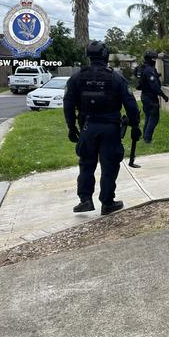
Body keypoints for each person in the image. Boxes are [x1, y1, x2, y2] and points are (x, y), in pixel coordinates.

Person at [64, 41, 141, 216]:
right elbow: (130, 104)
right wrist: (135, 125)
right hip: (110, 129)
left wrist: (71, 127)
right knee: (110, 166)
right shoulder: (116, 78)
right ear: (105, 56)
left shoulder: (76, 78)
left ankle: (85, 200)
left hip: (87, 127)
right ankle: (107, 202)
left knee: (86, 164)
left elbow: (68, 104)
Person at [139, 49, 169, 143]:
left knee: (148, 116)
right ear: (150, 59)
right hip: (150, 97)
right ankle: (147, 138)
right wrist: (164, 96)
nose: (155, 61)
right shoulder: (149, 70)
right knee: (154, 118)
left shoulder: (144, 68)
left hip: (145, 96)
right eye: (154, 59)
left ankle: (145, 137)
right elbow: (154, 86)